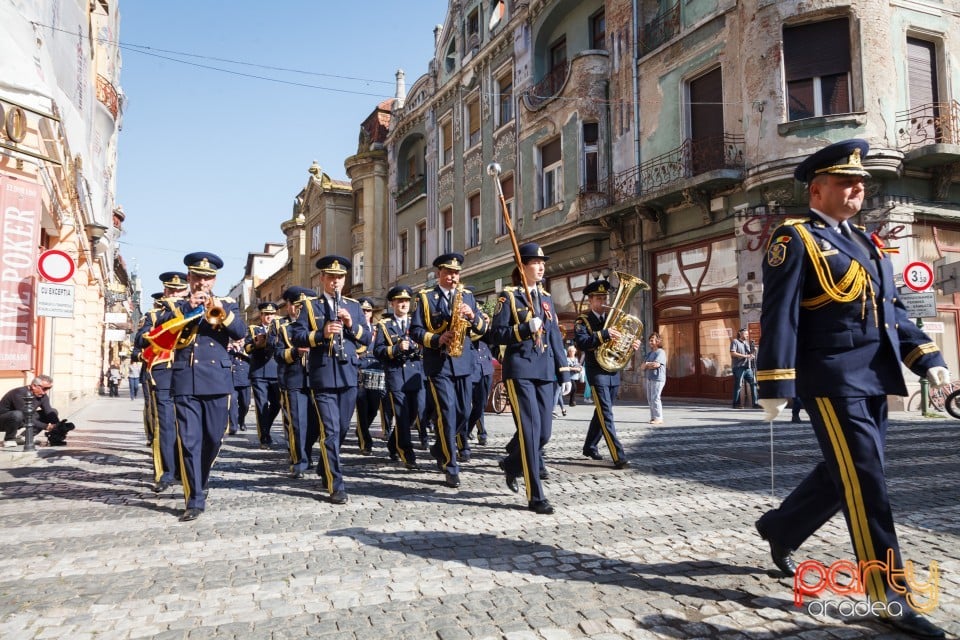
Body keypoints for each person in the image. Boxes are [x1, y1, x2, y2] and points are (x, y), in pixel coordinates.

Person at [755, 139, 950, 639]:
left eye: (860, 182)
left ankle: (782, 527)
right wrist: (775, 381)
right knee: (866, 483)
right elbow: (779, 315)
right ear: (817, 190)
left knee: (848, 471)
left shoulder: (867, 243)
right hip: (832, 379)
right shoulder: (794, 238)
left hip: (875, 377)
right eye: (846, 181)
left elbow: (893, 314)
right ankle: (889, 596)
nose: (857, 188)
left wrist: (929, 361)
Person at [156, 252, 247, 521]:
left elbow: (240, 332)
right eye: (197, 277)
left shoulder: (227, 304)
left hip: (217, 381)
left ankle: (201, 479)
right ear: (189, 278)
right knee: (190, 441)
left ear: (214, 280)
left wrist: (217, 311)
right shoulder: (175, 306)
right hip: (185, 380)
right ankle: (193, 498)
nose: (202, 283)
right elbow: (160, 334)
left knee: (213, 439)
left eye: (207, 278)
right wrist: (188, 310)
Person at [488, 243, 568, 514]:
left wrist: (564, 369)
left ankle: (511, 464)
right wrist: (523, 329)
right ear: (522, 266)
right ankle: (536, 496)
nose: (541, 266)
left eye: (542, 262)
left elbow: (555, 335)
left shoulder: (545, 299)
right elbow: (495, 335)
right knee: (531, 433)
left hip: (545, 371)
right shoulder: (508, 297)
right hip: (520, 370)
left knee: (543, 433)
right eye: (535, 262)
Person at [288, 255, 371, 504]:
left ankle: (325, 466)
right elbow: (297, 336)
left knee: (343, 429)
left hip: (347, 375)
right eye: (331, 277)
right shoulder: (311, 306)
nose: (336, 281)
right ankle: (337, 484)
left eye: (340, 277)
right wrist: (321, 334)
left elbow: (366, 338)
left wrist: (350, 325)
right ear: (322, 279)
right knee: (331, 431)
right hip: (322, 375)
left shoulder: (354, 306)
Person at [409, 252, 487, 489]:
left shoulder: (468, 297)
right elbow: (415, 332)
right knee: (447, 411)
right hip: (439, 364)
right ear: (439, 274)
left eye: (456, 273)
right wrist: (436, 338)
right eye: (448, 273)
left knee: (464, 411)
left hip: (464, 362)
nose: (453, 277)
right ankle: (451, 466)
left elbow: (482, 329)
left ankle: (438, 446)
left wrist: (473, 316)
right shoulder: (426, 299)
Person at [134, 271, 189, 492]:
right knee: (165, 424)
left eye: (179, 290)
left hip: (190, 372)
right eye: (171, 290)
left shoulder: (195, 310)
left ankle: (186, 469)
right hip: (163, 372)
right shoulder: (154, 315)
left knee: (187, 425)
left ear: (186, 291)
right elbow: (140, 339)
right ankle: (165, 472)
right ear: (165, 291)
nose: (175, 293)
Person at [574, 279, 637, 469]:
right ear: (590, 300)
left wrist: (631, 345)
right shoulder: (583, 320)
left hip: (612, 371)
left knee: (601, 412)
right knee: (606, 414)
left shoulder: (613, 320)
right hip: (596, 372)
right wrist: (604, 334)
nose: (604, 302)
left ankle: (590, 446)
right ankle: (618, 456)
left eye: (605, 298)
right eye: (599, 298)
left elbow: (619, 346)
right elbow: (581, 343)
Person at [374, 285, 422, 470]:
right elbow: (378, 351)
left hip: (414, 374)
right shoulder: (385, 325)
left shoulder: (416, 323)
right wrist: (395, 349)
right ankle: (407, 453)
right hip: (396, 375)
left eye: (406, 301)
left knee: (413, 415)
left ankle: (393, 443)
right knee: (401, 416)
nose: (403, 304)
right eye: (399, 301)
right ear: (392, 303)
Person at [274, 286, 318, 478]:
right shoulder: (284, 328)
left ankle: (307, 452)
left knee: (316, 423)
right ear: (289, 306)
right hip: (295, 379)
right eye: (297, 305)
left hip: (317, 379)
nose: (300, 309)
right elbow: (277, 353)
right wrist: (294, 352)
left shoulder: (318, 325)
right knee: (298, 423)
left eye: (304, 306)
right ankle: (299, 460)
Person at [246, 301, 281, 449]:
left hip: (276, 372)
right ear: (261, 316)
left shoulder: (280, 328)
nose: (269, 317)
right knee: (261, 405)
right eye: (266, 314)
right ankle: (264, 437)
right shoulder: (253, 329)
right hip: (259, 372)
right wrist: (256, 344)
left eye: (272, 314)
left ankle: (266, 427)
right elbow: (247, 348)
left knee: (277, 404)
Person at [355, 297, 384, 455]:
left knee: (373, 408)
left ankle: (362, 430)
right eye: (362, 310)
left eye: (367, 310)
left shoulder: (377, 329)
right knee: (362, 406)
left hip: (375, 370)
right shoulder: (351, 328)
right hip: (358, 370)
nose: (365, 313)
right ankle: (365, 441)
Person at [0, 375, 59, 446]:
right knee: (18, 414)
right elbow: (26, 416)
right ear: (34, 386)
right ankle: (9, 439)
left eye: (48, 388)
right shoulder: (18, 393)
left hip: (22, 418)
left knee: (53, 411)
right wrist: (46, 426)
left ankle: (26, 436)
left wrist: (58, 425)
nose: (45, 392)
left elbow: (48, 411)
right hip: (5, 420)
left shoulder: (42, 396)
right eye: (44, 388)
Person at [640, 333, 667, 424]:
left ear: (658, 341)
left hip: (658, 378)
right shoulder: (650, 353)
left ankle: (658, 418)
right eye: (650, 340)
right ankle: (653, 417)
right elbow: (642, 367)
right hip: (650, 378)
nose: (650, 342)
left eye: (652, 340)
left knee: (655, 398)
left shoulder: (661, 352)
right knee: (650, 398)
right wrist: (648, 364)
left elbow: (656, 365)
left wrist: (648, 364)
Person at [730, 328, 760, 409]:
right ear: (740, 333)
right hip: (738, 367)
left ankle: (755, 404)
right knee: (738, 385)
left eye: (747, 334)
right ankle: (736, 404)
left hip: (748, 367)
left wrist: (754, 351)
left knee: (753, 384)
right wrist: (746, 356)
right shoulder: (735, 341)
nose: (747, 335)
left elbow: (750, 355)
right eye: (745, 334)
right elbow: (733, 353)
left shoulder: (746, 343)